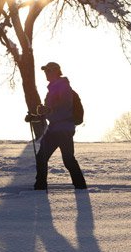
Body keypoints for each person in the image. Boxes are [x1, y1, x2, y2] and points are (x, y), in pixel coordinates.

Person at [27, 62, 87, 190]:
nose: (46, 74)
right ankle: (40, 187)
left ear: (56, 71)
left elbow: (64, 106)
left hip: (64, 128)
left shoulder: (64, 87)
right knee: (42, 156)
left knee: (68, 159)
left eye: (48, 71)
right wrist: (34, 117)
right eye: (45, 72)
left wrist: (48, 110)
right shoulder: (51, 90)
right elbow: (48, 112)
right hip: (54, 128)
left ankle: (81, 187)